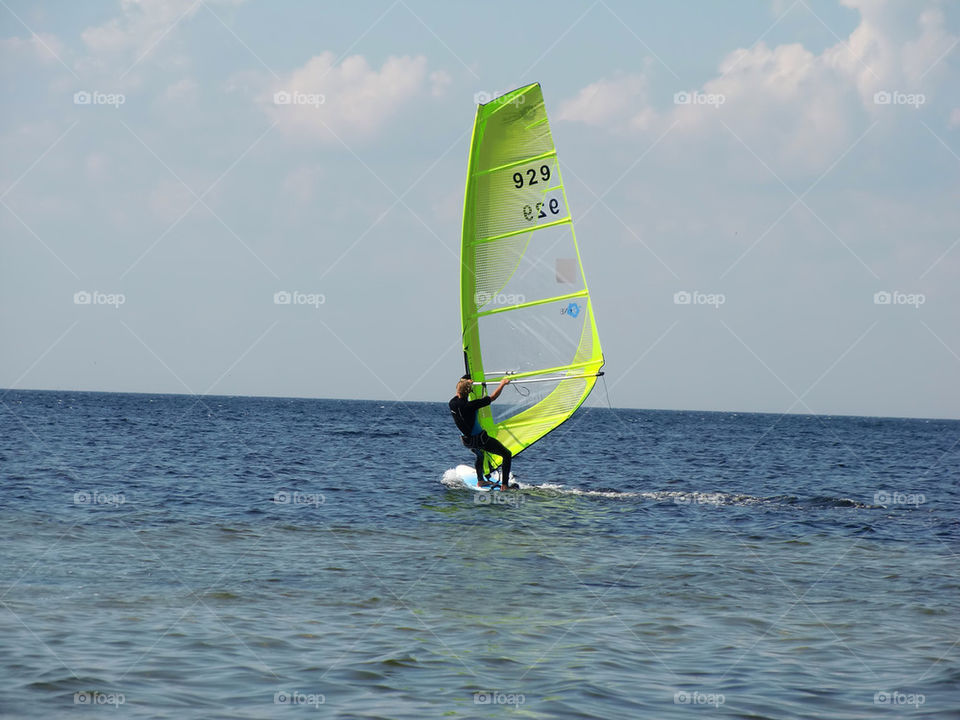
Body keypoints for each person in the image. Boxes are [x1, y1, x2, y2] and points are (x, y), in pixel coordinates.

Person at [449, 376, 513, 489]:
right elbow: (492, 397)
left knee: (480, 455)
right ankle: (504, 485)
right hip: (480, 440)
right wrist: (502, 384)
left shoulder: (452, 403)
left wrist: (466, 384)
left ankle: (480, 481)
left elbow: (460, 391)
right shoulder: (471, 405)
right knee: (507, 454)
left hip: (467, 441)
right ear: (469, 391)